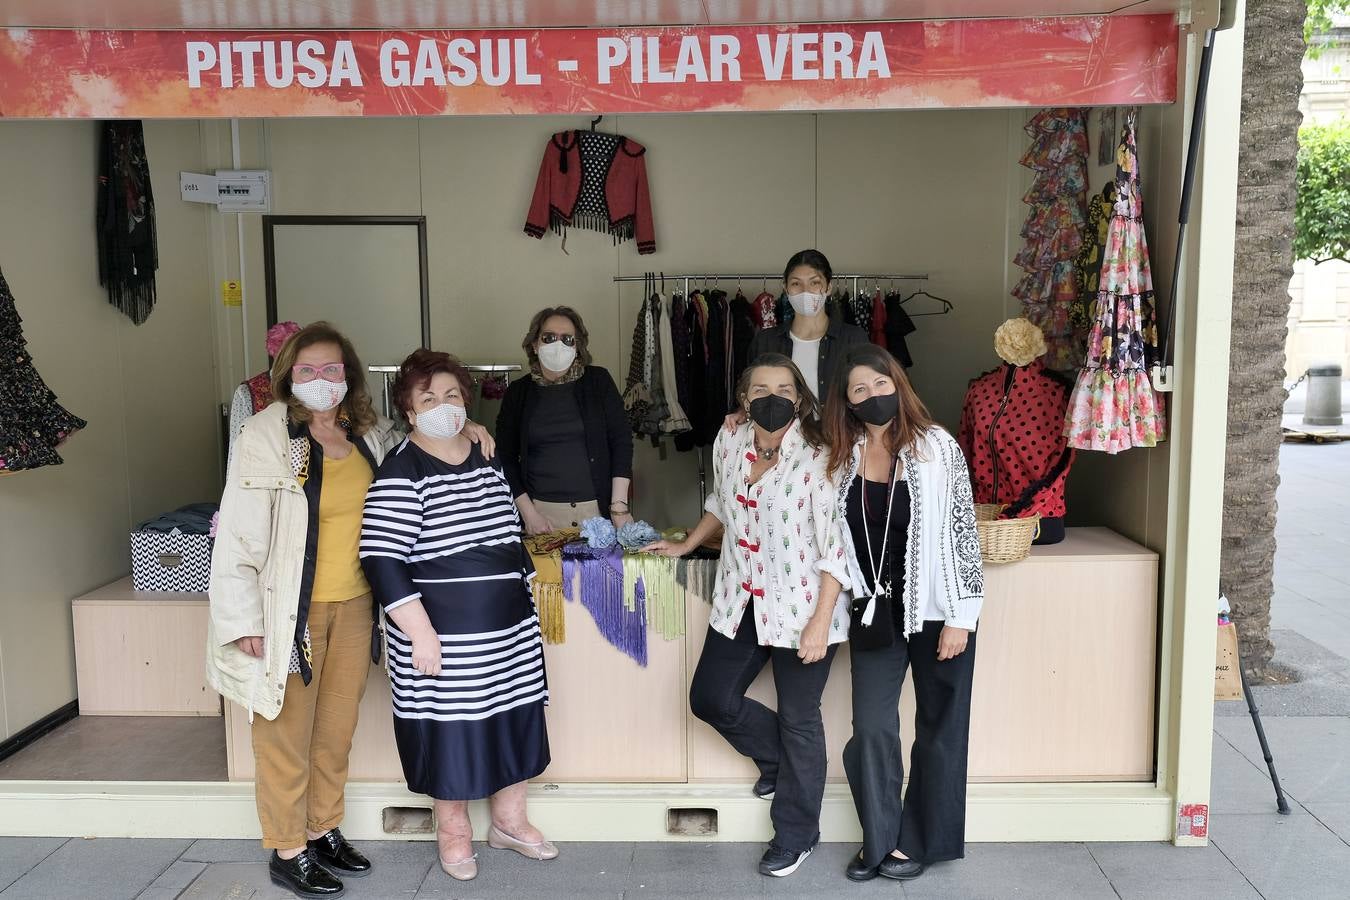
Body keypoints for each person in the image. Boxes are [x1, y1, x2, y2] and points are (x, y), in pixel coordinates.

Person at [207, 321, 400, 899]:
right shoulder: (267, 434)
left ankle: (323, 829)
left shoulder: (367, 432)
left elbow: (420, 453)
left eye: (333, 369)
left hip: (356, 604)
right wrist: (244, 621)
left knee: (336, 730)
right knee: (285, 730)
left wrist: (468, 424)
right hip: (287, 609)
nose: (322, 379)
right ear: (288, 374)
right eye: (309, 369)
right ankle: (288, 849)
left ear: (350, 375)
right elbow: (238, 534)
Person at [645, 353, 851, 879]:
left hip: (805, 605)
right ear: (744, 400)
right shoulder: (731, 441)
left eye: (784, 387)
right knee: (710, 698)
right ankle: (780, 761)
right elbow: (721, 500)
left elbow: (836, 546)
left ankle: (797, 834)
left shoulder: (824, 456)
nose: (772, 396)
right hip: (741, 598)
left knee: (801, 720)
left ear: (800, 397)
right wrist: (688, 543)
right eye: (760, 389)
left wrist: (821, 621)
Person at [360, 349, 554, 884]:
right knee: (452, 734)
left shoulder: (484, 453)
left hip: (508, 629)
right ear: (407, 408)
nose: (442, 406)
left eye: (451, 396)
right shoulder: (401, 471)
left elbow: (507, 530)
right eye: (428, 398)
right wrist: (420, 634)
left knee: (514, 718)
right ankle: (454, 834)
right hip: (442, 635)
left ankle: (510, 823)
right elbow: (382, 559)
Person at [822, 343, 984, 884]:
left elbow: (962, 532)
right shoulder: (839, 458)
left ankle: (919, 841)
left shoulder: (936, 447)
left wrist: (963, 614)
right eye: (859, 390)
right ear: (846, 403)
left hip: (940, 610)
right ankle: (880, 838)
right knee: (871, 727)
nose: (872, 395)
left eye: (880, 384)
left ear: (898, 384)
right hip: (875, 613)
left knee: (939, 728)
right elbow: (835, 540)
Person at [497, 306, 634, 534]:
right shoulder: (518, 393)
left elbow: (621, 441)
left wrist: (619, 507)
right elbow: (505, 457)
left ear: (577, 347)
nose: (557, 345)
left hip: (597, 512)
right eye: (549, 337)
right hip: (540, 516)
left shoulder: (598, 382)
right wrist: (528, 514)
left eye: (568, 339)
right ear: (535, 343)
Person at [747, 249, 868, 401]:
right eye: (796, 283)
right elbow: (749, 390)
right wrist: (740, 411)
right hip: (782, 426)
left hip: (837, 425)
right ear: (786, 288)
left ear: (828, 287)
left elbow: (866, 393)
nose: (805, 291)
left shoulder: (854, 339)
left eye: (814, 282)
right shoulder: (765, 341)